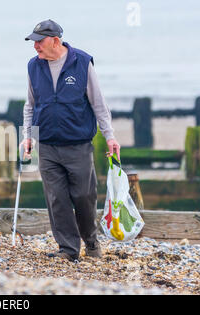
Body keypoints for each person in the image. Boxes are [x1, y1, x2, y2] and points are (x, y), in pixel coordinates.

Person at [22, 19, 120, 261]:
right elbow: (30, 105)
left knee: (84, 197)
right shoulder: (33, 67)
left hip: (78, 145)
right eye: (33, 42)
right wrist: (28, 137)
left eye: (39, 42)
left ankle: (91, 241)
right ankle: (68, 249)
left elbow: (99, 103)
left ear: (56, 41)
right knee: (57, 199)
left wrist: (110, 136)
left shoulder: (82, 63)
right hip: (47, 145)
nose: (35, 47)